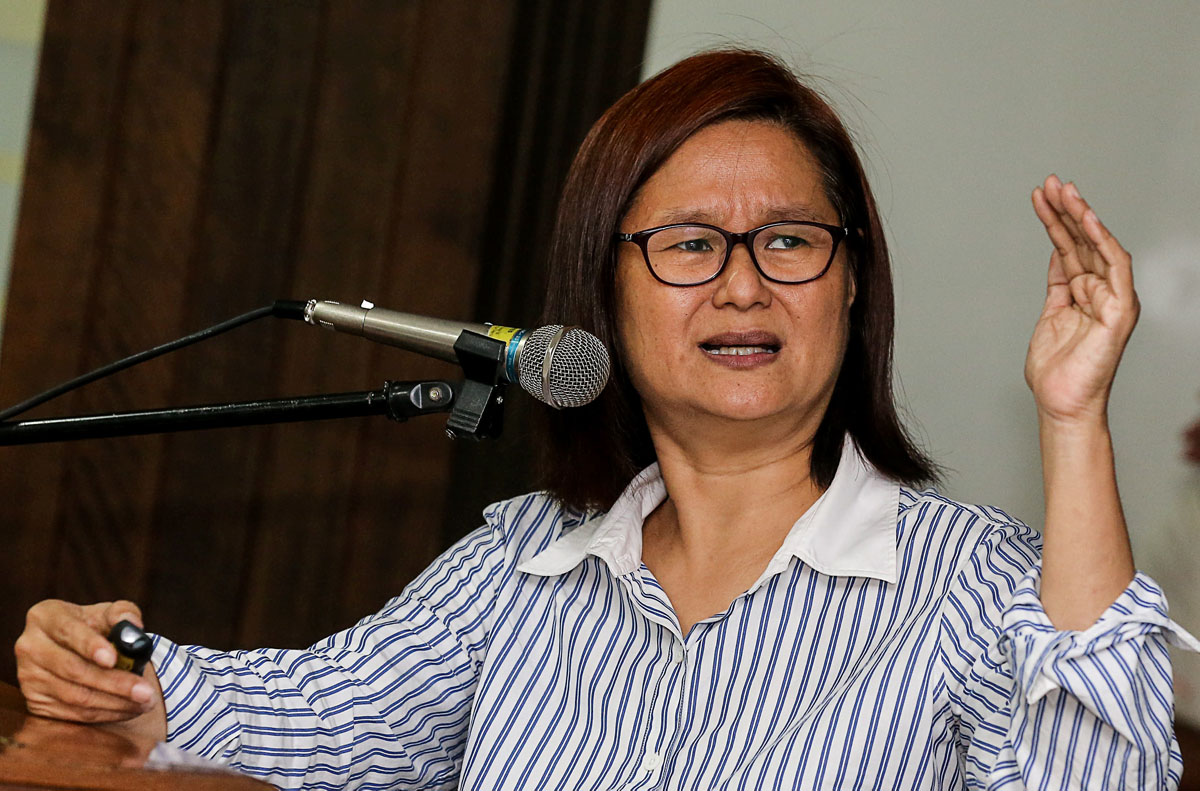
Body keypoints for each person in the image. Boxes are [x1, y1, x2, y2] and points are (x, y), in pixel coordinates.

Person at [14, 49, 1199, 789]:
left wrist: (1073, 415)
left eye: (789, 239)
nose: (744, 284)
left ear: (849, 281)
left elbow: (1097, 775)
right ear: (606, 294)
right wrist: (107, 664)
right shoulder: (519, 564)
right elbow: (311, 717)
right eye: (689, 245)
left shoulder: (980, 581)